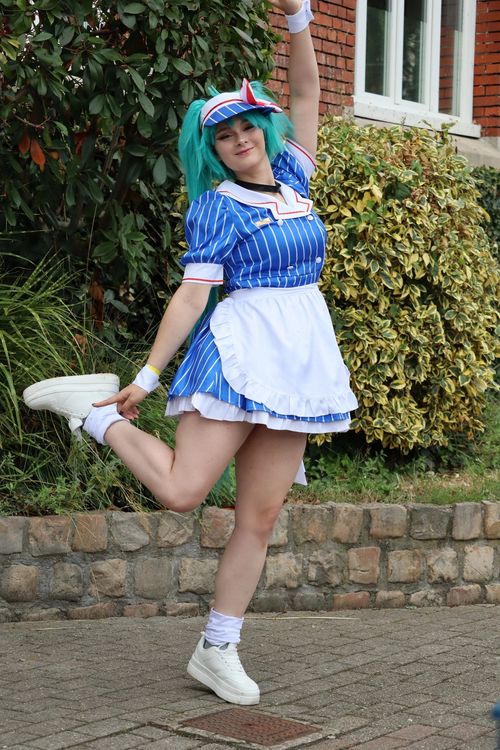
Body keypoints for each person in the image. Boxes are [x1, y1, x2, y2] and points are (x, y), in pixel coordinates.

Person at [23, 0, 358, 706]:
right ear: (213, 150)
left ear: (264, 129)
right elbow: (191, 296)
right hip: (240, 353)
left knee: (259, 518)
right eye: (225, 135)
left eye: (247, 126)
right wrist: (146, 377)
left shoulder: (294, 177)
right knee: (182, 492)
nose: (239, 139)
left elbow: (307, 92)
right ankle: (94, 413)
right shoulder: (218, 206)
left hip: (299, 360)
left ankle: (217, 648)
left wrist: (299, 16)